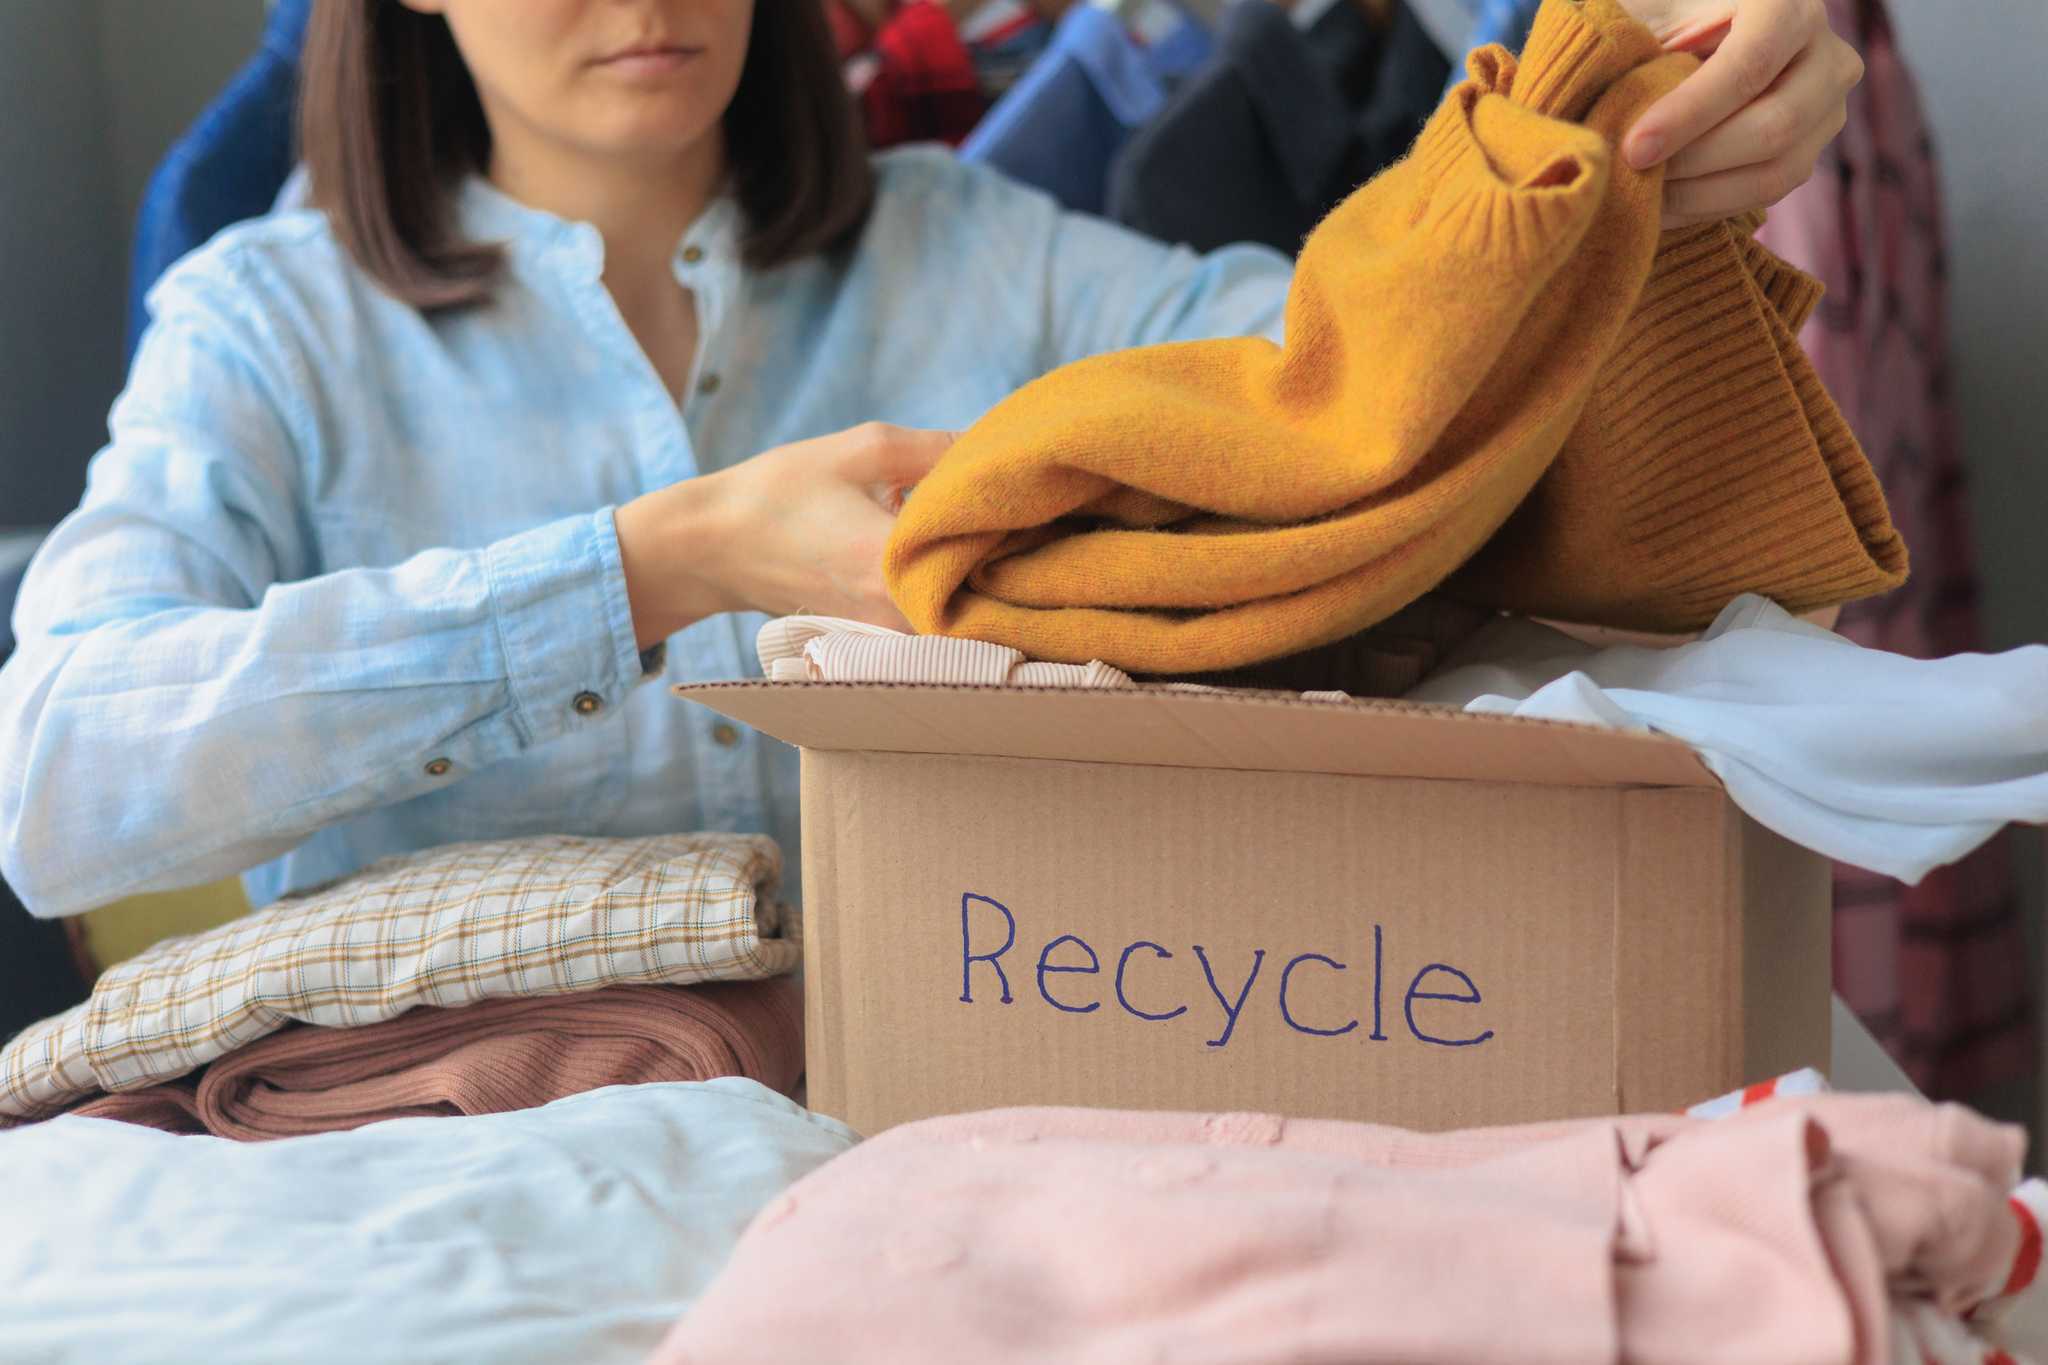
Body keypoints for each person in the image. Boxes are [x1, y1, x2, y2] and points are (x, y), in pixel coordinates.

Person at [0, 0, 1863, 920]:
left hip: (988, 1105)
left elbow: (1396, 395)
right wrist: (662, 562)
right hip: (433, 1191)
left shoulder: (993, 254)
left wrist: (1617, 168)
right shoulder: (269, 323)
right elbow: (57, 776)